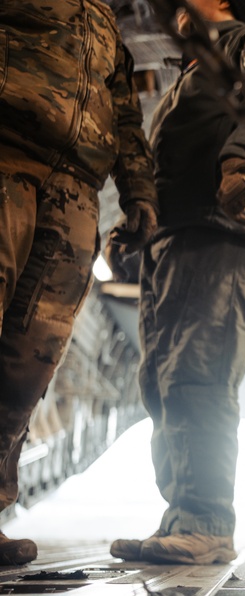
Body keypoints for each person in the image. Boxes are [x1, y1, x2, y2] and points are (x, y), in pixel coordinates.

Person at [109, 0, 245, 564]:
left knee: (198, 374)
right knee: (162, 380)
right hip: (174, 237)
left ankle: (206, 520)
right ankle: (181, 518)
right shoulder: (187, 76)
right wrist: (138, 218)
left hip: (225, 224)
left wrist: (240, 163)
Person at [0, 0, 158, 566]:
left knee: (30, 361)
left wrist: (139, 192)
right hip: (7, 155)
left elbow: (125, 113)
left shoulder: (108, 23)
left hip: (75, 191)